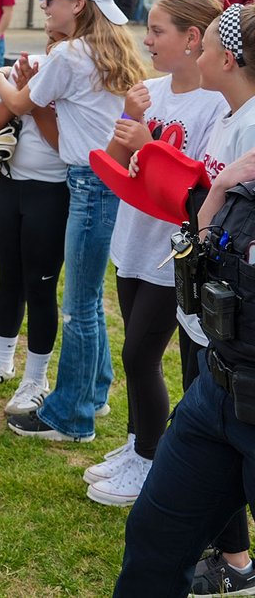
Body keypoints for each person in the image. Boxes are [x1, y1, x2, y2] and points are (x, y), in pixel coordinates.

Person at [112, 40, 255, 590]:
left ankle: (237, 564)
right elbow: (202, 250)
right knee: (154, 539)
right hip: (217, 391)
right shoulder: (238, 136)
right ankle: (233, 559)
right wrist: (218, 188)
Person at [0, 0, 145, 442]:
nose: (44, 4)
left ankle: (71, 417)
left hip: (87, 183)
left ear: (78, 4)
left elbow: (20, 105)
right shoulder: (103, 49)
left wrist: (2, 81)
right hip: (108, 182)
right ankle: (94, 394)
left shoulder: (67, 54)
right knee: (89, 302)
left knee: (79, 308)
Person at [87, 0, 227, 507]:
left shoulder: (216, 103)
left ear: (193, 39)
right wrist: (127, 126)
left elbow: (192, 192)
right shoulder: (146, 90)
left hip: (175, 254)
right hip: (133, 241)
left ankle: (149, 461)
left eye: (157, 31)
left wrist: (147, 140)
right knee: (135, 354)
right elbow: (113, 167)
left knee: (140, 354)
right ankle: (134, 445)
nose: (145, 40)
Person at [0, 25, 68, 416]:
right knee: (9, 277)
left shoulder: (77, 75)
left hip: (51, 190)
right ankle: (2, 362)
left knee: (40, 285)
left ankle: (36, 378)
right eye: (51, 37)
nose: (54, 45)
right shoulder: (31, 69)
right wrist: (14, 90)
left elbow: (65, 144)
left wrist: (31, 101)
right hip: (11, 187)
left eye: (64, 38)